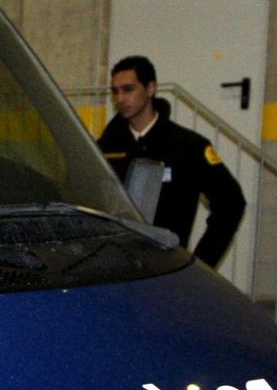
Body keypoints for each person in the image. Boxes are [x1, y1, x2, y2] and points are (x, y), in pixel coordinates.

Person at [97, 55, 246, 267]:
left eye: (128, 89)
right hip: (113, 265)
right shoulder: (103, 148)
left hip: (166, 268)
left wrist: (201, 263)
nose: (120, 98)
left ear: (150, 88)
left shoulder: (188, 146)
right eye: (115, 91)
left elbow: (231, 203)